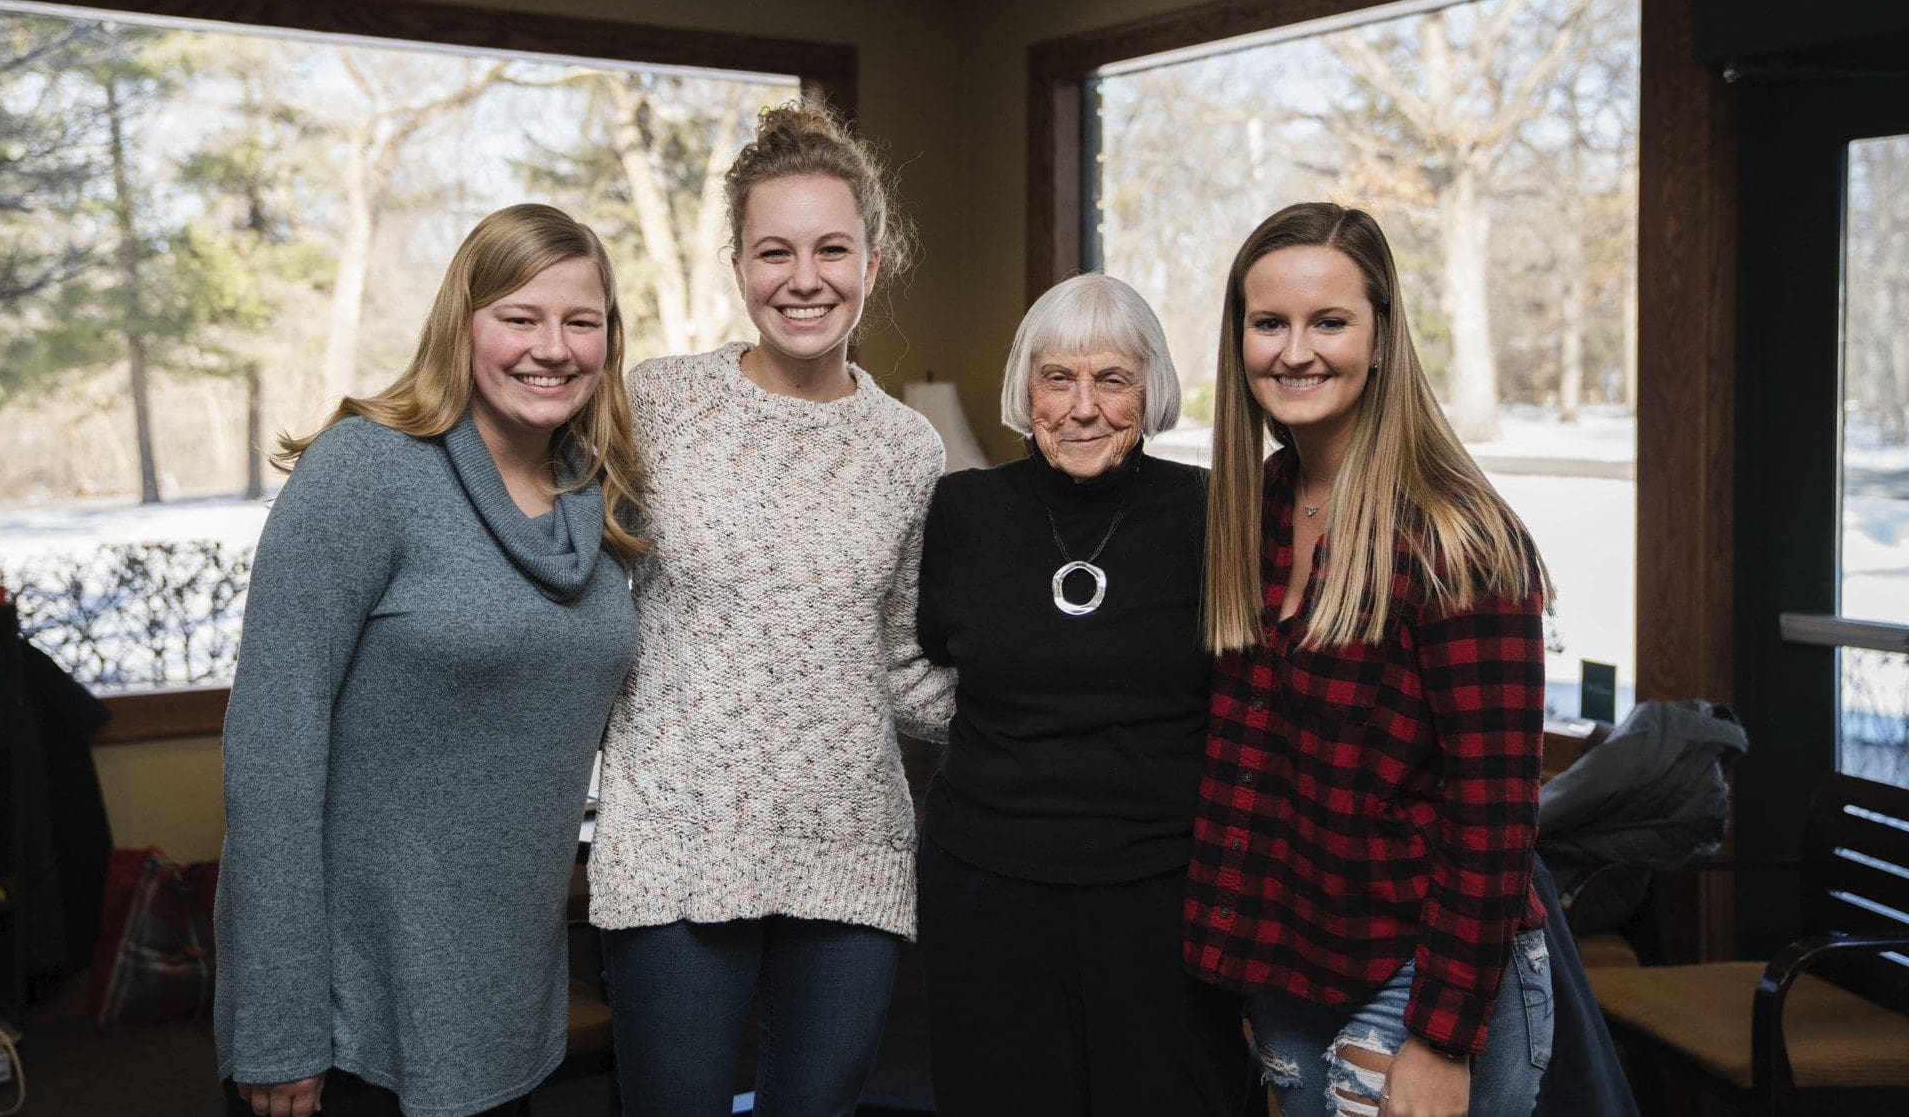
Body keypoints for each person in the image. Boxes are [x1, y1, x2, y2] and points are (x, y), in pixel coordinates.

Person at [215, 204, 646, 1117]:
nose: (553, 347)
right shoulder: (365, 472)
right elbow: (271, 755)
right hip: (349, 1009)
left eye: (581, 321)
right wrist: (278, 1020)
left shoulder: (603, 499)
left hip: (506, 995)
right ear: (463, 325)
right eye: (518, 318)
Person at [586, 103, 954, 1117]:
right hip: (674, 840)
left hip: (847, 841)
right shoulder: (653, 405)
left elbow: (900, 660)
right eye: (773, 251)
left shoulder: (907, 449)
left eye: (831, 249)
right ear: (737, 264)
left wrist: (1051, 704)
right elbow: (559, 568)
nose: (804, 279)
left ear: (872, 262)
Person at [1185, 201, 1555, 1117]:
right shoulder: (1256, 507)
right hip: (1295, 964)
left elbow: (1495, 814)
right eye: (1269, 323)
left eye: (1330, 322)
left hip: (1423, 977)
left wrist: (1440, 1037)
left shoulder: (1457, 537)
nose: (1295, 350)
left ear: (1383, 337)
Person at [915, 273, 1252, 1115]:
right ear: (1026, 392)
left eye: (1113, 379)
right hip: (987, 890)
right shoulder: (962, 511)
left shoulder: (1215, 512)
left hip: (1164, 894)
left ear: (1152, 390)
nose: (1083, 406)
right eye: (1058, 378)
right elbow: (917, 659)